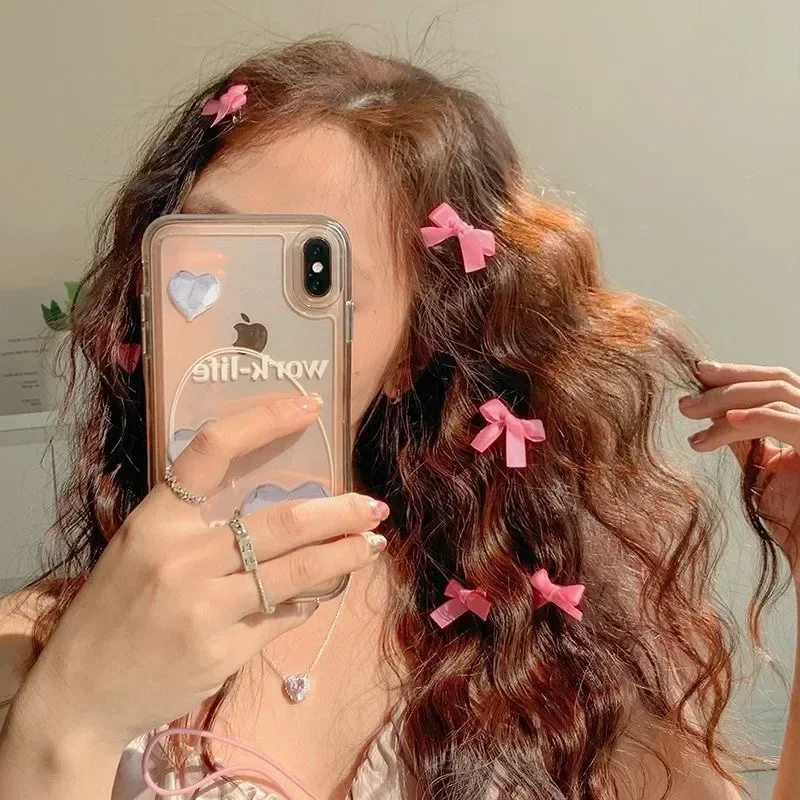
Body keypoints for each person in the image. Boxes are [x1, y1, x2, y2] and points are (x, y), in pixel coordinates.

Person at [0, 37, 798, 800]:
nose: (241, 327)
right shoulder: (30, 649)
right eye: (207, 245)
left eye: (310, 281)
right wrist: (70, 722)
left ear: (408, 353)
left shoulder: (550, 648)